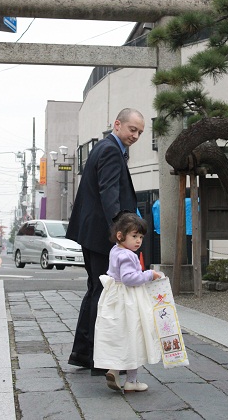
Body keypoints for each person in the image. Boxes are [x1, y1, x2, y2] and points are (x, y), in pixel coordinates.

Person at [67, 108, 145, 375]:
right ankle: (102, 360)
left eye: (140, 132)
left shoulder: (104, 147)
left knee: (96, 290)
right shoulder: (111, 150)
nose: (135, 135)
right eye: (132, 129)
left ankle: (84, 354)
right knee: (105, 293)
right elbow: (109, 191)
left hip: (91, 232)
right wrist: (121, 232)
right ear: (117, 124)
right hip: (103, 235)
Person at [93, 212, 162, 392]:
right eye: (134, 236)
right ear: (120, 235)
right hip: (128, 300)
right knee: (134, 335)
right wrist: (150, 275)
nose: (138, 241)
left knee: (119, 334)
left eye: (140, 237)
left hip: (114, 298)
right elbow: (129, 278)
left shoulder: (116, 250)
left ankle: (114, 368)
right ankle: (131, 380)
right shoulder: (128, 255)